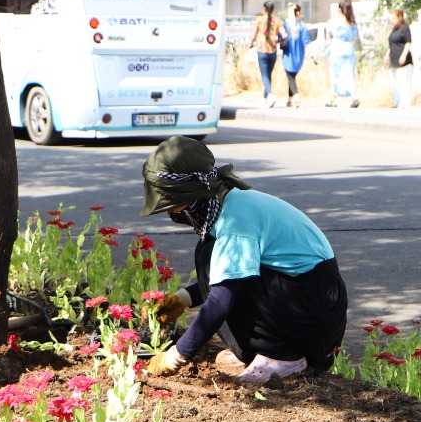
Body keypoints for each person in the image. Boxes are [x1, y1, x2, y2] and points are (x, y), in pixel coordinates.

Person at [140, 136, 348, 386]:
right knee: (211, 256)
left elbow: (220, 301)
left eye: (175, 205)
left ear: (196, 194)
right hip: (309, 306)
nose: (173, 213)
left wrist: (175, 356)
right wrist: (181, 299)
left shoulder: (236, 222)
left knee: (208, 256)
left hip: (312, 320)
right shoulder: (233, 202)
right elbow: (231, 276)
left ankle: (281, 357)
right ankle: (260, 351)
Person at [324, 1, 360, 108]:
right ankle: (354, 97)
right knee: (349, 73)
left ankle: (334, 98)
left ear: (339, 10)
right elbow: (355, 35)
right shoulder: (352, 22)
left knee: (335, 73)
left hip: (337, 47)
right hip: (349, 47)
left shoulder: (337, 21)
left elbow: (332, 34)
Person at [248, 1, 282, 107]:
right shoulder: (277, 21)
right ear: (273, 9)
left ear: (263, 9)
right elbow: (284, 34)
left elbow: (254, 35)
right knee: (268, 75)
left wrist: (250, 44)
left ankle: (270, 95)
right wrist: (276, 41)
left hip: (262, 50)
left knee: (264, 75)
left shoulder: (259, 20)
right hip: (272, 51)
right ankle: (265, 97)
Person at [280, 3, 310, 107]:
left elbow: (280, 36)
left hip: (289, 54)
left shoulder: (286, 24)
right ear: (297, 13)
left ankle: (296, 96)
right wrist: (312, 54)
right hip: (299, 54)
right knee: (292, 76)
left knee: (290, 76)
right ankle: (289, 99)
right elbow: (307, 40)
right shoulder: (302, 25)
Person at [388, 8, 414, 109]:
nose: (392, 20)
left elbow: (408, 42)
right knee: (394, 82)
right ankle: (396, 102)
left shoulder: (405, 28)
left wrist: (403, 55)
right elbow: (391, 43)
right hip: (394, 58)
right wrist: (387, 55)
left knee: (404, 81)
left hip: (404, 60)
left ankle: (405, 103)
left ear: (400, 17)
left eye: (394, 18)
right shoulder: (394, 29)